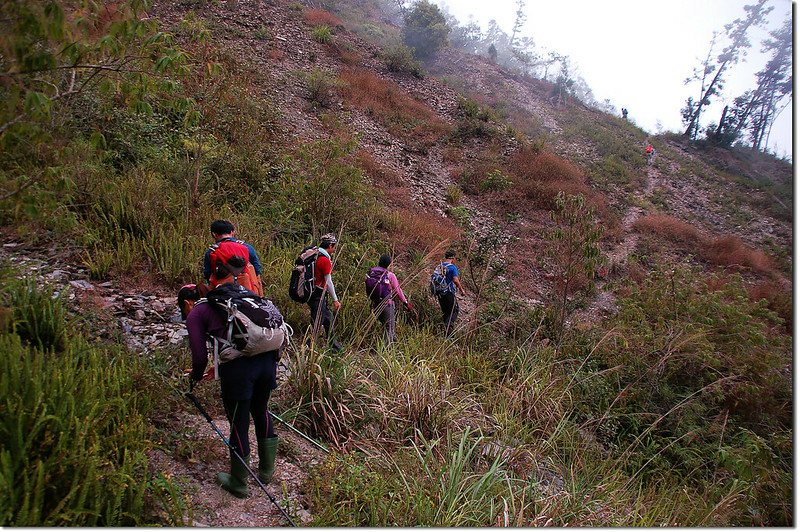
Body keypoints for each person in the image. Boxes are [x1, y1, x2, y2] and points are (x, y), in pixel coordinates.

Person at [185, 281, 280, 499]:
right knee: (261, 410)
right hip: (267, 363)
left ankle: (239, 482)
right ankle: (266, 471)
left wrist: (196, 376)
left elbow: (199, 357)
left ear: (187, 302)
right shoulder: (241, 300)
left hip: (240, 371)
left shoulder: (197, 312)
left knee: (239, 420)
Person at [203, 219, 263, 295]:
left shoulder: (211, 251)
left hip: (222, 292)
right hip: (247, 290)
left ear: (214, 234)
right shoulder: (247, 247)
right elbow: (257, 271)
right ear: (232, 232)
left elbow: (208, 274)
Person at [368, 254, 412, 345]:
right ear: (388, 264)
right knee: (389, 328)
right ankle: (385, 351)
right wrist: (405, 302)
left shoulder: (371, 272)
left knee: (386, 326)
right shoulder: (390, 275)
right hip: (387, 304)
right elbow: (398, 291)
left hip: (375, 304)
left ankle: (394, 344)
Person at [309, 233, 342, 351]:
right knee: (317, 322)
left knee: (328, 318)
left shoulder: (316, 255)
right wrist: (335, 300)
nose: (334, 249)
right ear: (330, 245)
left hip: (313, 293)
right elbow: (329, 282)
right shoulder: (324, 260)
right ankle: (309, 347)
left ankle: (334, 346)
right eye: (334, 246)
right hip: (318, 294)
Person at [436, 250, 463, 336]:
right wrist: (461, 290)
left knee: (446, 312)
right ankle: (447, 329)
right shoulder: (452, 267)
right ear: (453, 257)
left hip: (439, 293)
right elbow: (455, 280)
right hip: (448, 292)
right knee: (454, 311)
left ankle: (446, 334)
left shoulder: (439, 266)